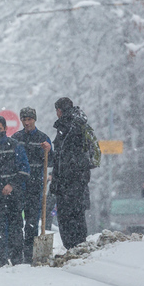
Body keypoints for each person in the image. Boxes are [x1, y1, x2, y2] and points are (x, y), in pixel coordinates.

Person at [0, 114, 31, 267]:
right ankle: (0, 260)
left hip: (14, 195)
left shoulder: (15, 146)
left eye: (0, 129)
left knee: (16, 227)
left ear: (5, 129)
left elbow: (24, 171)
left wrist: (11, 185)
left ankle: (17, 259)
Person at [11, 107, 53, 264]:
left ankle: (29, 255)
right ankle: (16, 255)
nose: (27, 122)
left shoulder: (43, 138)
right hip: (18, 187)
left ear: (35, 120)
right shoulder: (16, 138)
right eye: (24, 119)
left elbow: (52, 161)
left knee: (32, 223)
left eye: (30, 119)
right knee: (16, 222)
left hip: (35, 187)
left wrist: (48, 151)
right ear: (21, 120)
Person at [50, 97, 91, 250]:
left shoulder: (67, 127)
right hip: (78, 181)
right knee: (77, 216)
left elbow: (62, 158)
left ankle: (73, 248)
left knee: (67, 219)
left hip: (68, 183)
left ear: (59, 110)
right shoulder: (80, 124)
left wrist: (57, 181)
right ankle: (78, 247)